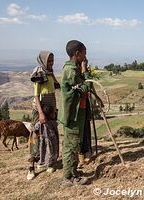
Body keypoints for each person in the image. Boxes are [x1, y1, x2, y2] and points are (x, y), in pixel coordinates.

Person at [58, 40, 91, 186]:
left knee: (74, 144)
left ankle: (73, 171)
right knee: (71, 146)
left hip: (78, 112)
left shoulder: (73, 69)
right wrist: (85, 71)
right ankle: (69, 177)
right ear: (77, 54)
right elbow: (85, 87)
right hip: (73, 114)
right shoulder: (71, 71)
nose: (85, 56)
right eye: (84, 53)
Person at [27, 51, 60, 180]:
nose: (51, 63)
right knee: (36, 138)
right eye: (49, 61)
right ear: (43, 61)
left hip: (50, 110)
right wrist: (41, 113)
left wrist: (54, 110)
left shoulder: (50, 75)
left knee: (51, 136)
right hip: (40, 111)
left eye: (52, 60)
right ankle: (31, 167)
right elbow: (36, 95)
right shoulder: (39, 75)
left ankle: (49, 162)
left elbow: (53, 93)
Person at [34, 104, 59, 173]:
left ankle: (44, 162)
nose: (55, 114)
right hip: (52, 141)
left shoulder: (39, 123)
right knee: (52, 153)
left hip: (43, 141)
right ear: (51, 115)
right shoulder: (53, 123)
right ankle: (50, 165)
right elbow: (56, 129)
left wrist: (37, 135)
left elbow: (35, 129)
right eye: (54, 113)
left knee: (43, 152)